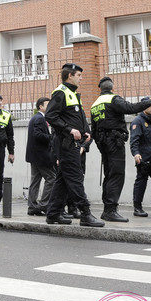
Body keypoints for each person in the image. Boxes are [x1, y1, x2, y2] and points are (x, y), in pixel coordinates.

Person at [89, 76, 151, 221]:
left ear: (101, 89)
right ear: (112, 88)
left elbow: (93, 130)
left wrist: (101, 144)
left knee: (109, 175)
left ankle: (107, 209)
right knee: (117, 175)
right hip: (114, 141)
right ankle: (110, 210)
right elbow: (130, 108)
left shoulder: (94, 104)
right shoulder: (113, 99)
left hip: (103, 143)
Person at [44, 63, 104, 227]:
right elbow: (50, 116)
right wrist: (69, 130)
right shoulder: (60, 93)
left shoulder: (73, 94)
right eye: (79, 75)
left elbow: (74, 117)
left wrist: (85, 131)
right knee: (76, 178)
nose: (81, 78)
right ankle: (85, 214)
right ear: (70, 75)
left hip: (72, 142)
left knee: (63, 179)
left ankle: (53, 214)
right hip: (65, 143)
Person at [26, 97, 55, 216]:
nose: (49, 107)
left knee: (35, 180)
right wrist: (51, 137)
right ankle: (44, 204)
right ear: (40, 107)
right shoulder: (39, 119)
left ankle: (32, 206)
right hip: (41, 156)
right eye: (47, 105)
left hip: (35, 156)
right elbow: (38, 135)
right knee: (52, 178)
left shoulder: (36, 118)